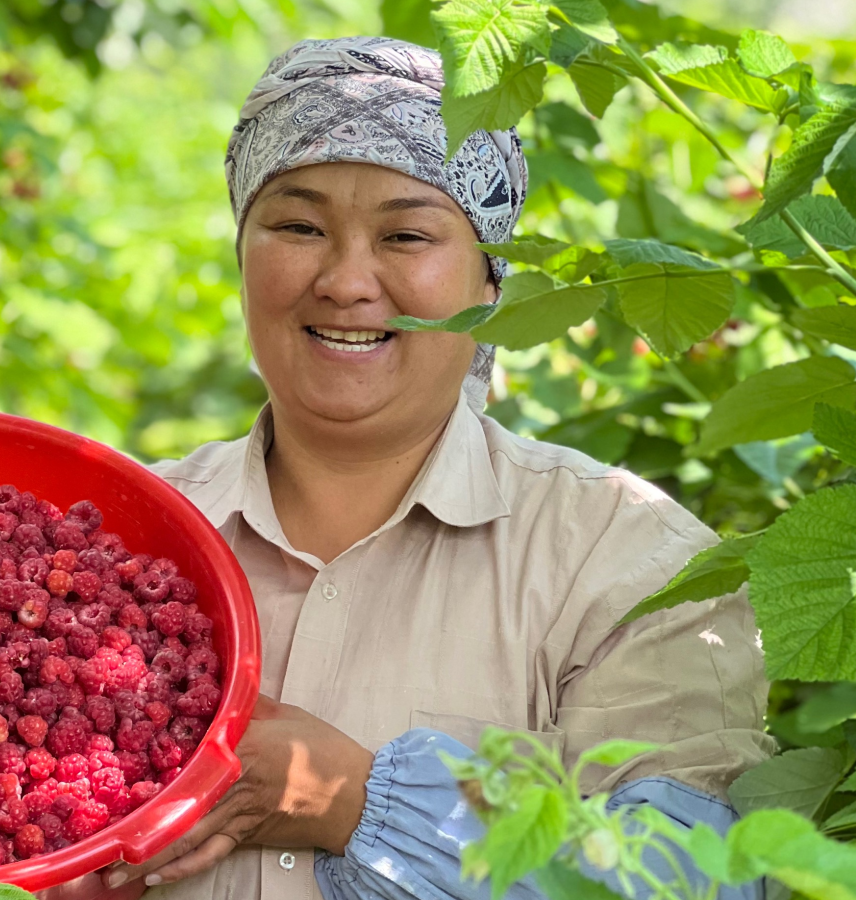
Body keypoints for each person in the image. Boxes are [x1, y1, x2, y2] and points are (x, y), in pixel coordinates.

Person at [94, 36, 771, 900]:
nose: (345, 281)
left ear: (489, 284)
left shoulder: (630, 564)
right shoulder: (113, 538)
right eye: (298, 226)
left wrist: (351, 800)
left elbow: (695, 881)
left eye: (407, 233)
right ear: (241, 255)